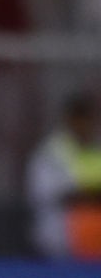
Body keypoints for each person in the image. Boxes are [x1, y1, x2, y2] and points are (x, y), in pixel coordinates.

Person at [27, 92, 101, 259]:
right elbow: (46, 193)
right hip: (58, 242)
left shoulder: (97, 150)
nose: (83, 124)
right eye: (78, 118)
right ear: (68, 119)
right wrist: (88, 195)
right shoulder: (52, 152)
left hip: (95, 243)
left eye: (87, 119)